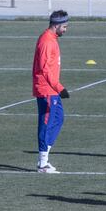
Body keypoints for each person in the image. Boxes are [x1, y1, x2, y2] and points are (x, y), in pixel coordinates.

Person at [32, 10, 70, 173]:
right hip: (47, 89)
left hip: (51, 89)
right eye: (65, 26)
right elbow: (44, 68)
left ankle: (45, 155)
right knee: (46, 123)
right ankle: (42, 162)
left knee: (59, 119)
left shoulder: (52, 39)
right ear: (56, 25)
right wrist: (59, 87)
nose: (66, 29)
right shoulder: (47, 41)